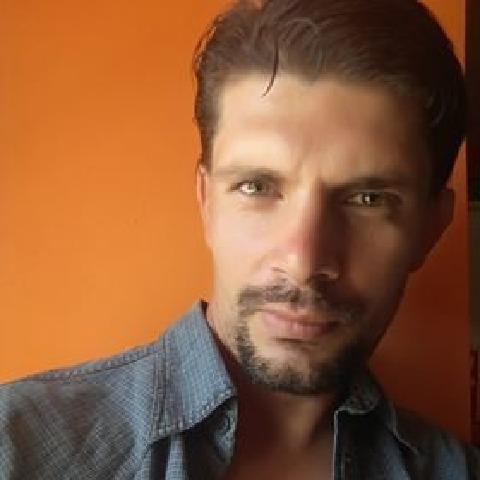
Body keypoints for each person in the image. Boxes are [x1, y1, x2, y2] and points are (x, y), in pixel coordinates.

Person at [1, 0, 478, 478]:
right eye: (257, 187)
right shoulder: (17, 447)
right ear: (206, 201)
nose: (303, 260)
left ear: (431, 228)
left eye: (368, 199)